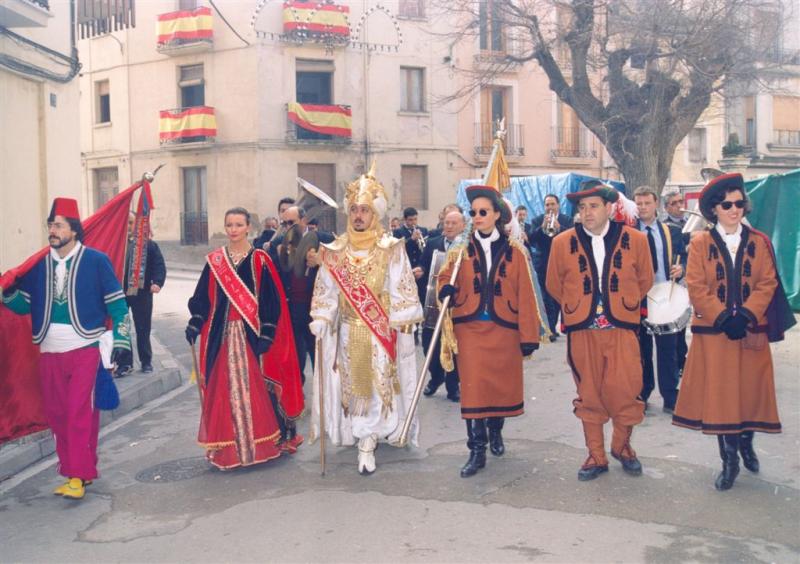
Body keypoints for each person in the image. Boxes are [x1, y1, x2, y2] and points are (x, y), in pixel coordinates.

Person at [2, 198, 131, 499]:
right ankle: (73, 471)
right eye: (50, 225)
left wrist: (123, 341)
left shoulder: (96, 260)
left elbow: (117, 303)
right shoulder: (38, 266)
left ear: (74, 229)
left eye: (58, 224)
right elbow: (25, 305)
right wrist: (6, 293)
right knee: (58, 415)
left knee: (79, 413)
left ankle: (80, 475)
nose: (53, 230)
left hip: (85, 349)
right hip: (48, 352)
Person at [672, 173, 793, 491]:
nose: (735, 209)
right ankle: (730, 461)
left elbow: (767, 282)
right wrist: (724, 318)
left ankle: (746, 443)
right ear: (714, 209)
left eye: (739, 203)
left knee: (749, 392)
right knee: (722, 397)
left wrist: (748, 315)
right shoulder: (699, 243)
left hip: (751, 330)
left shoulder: (758, 241)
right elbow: (696, 285)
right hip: (716, 333)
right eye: (727, 204)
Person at [310, 164, 423, 475]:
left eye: (365, 210)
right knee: (357, 389)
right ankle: (364, 439)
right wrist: (321, 316)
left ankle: (374, 436)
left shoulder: (391, 249)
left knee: (380, 387)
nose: (359, 215)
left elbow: (402, 288)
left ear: (376, 214)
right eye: (355, 209)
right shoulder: (335, 251)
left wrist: (403, 320)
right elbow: (325, 291)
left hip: (381, 330)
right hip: (349, 331)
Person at [546, 181, 654, 481]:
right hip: (583, 330)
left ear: (609, 208)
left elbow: (644, 279)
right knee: (589, 393)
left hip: (622, 328)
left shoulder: (636, 240)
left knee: (626, 389)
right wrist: (577, 306)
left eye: (593, 206)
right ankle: (596, 454)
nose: (586, 212)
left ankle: (622, 446)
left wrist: (624, 304)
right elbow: (554, 284)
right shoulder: (561, 242)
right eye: (582, 208)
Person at [185, 207, 304, 470]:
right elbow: (202, 298)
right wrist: (195, 322)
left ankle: (260, 444)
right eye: (229, 225)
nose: (233, 229)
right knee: (224, 391)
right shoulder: (215, 261)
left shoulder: (260, 259)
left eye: (239, 224)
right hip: (221, 337)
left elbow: (272, 302)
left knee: (258, 390)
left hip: (252, 336)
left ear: (248, 227)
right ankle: (230, 450)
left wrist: (268, 334)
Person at [437, 184, 540, 478]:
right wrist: (445, 287)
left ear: (497, 215)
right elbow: (445, 276)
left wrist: (528, 336)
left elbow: (525, 293)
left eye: (483, 212)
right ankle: (476, 449)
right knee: (473, 391)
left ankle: (496, 431)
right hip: (469, 329)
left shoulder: (515, 251)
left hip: (504, 328)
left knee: (499, 388)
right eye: (474, 212)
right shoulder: (460, 249)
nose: (477, 217)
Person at [633, 186, 686, 413]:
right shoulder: (629, 232)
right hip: (639, 299)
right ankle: (643, 393)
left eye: (647, 203)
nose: (643, 207)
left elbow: (683, 256)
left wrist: (680, 268)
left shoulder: (670, 230)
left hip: (665, 297)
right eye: (639, 204)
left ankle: (670, 395)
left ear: (656, 205)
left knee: (668, 349)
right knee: (641, 350)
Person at [272, 205, 334, 383]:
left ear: (304, 220)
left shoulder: (325, 240)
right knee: (295, 357)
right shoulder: (278, 244)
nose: (287, 227)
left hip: (317, 309)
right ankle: (297, 396)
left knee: (319, 356)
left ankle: (323, 397)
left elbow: (342, 266)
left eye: (292, 222)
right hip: (292, 308)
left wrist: (322, 261)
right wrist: (278, 257)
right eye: (284, 223)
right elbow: (273, 274)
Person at [419, 209, 465, 402]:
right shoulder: (432, 244)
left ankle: (453, 386)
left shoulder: (468, 246)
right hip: (432, 305)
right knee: (429, 343)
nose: (449, 226)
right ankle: (436, 377)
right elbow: (424, 267)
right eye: (446, 222)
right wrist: (419, 271)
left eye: (454, 223)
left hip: (457, 305)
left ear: (463, 225)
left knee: (454, 347)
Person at [120, 212, 166, 375]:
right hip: (121, 294)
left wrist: (157, 282)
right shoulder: (117, 245)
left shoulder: (149, 245)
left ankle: (146, 362)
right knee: (122, 328)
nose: (128, 227)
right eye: (126, 223)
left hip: (142, 293)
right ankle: (124, 363)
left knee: (143, 329)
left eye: (131, 223)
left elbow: (159, 265)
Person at [530, 194, 574, 341]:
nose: (550, 208)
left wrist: (559, 228)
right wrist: (541, 228)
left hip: (563, 264)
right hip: (543, 263)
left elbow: (573, 238)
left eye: (552, 204)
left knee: (559, 296)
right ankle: (550, 329)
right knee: (546, 296)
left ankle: (562, 324)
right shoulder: (537, 220)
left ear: (558, 205)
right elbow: (531, 240)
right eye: (547, 205)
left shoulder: (566, 220)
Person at [661, 189, 690, 374]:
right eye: (674, 203)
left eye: (681, 201)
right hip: (669, 282)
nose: (680, 206)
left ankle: (682, 360)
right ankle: (677, 362)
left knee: (683, 323)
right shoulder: (664, 227)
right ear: (666, 207)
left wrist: (685, 268)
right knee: (674, 326)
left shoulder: (692, 224)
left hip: (686, 280)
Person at [393, 206, 429, 302]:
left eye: (415, 219)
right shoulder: (398, 232)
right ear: (405, 219)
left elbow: (426, 248)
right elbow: (398, 249)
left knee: (422, 295)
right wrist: (412, 239)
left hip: (420, 268)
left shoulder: (424, 230)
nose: (413, 222)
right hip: (407, 269)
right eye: (410, 220)